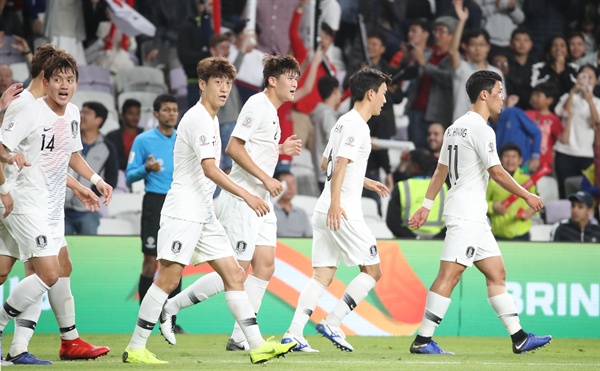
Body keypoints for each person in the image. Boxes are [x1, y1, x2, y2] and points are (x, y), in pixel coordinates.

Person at [122, 56, 296, 364]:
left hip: (203, 211)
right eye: (217, 82)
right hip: (184, 209)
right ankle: (136, 347)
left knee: (234, 273)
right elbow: (211, 169)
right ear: (202, 84)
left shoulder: (212, 118)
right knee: (168, 278)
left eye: (228, 82)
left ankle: (254, 345)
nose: (224, 88)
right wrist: (247, 194)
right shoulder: (199, 118)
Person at [407, 70, 551, 355]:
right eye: (499, 91)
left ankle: (519, 337)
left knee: (497, 273)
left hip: (473, 215)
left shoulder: (454, 127)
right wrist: (527, 195)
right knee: (450, 274)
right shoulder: (482, 130)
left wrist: (426, 205)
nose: (502, 98)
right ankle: (423, 339)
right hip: (467, 215)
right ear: (484, 94)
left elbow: (440, 171)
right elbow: (497, 172)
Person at [0, 52, 113, 364]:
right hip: (25, 202)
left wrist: (93, 181)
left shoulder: (73, 112)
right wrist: (7, 181)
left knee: (58, 268)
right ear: (46, 82)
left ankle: (27, 348)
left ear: (77, 84)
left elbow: (69, 155)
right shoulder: (30, 110)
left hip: (52, 207)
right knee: (48, 273)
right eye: (58, 79)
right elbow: (2, 146)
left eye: (70, 79)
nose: (64, 85)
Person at [281, 67, 391, 352]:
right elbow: (339, 164)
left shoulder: (343, 121)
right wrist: (337, 203)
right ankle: (333, 321)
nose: (384, 101)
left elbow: (325, 164)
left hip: (325, 208)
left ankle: (293, 333)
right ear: (370, 93)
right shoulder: (358, 126)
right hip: (341, 211)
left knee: (322, 276)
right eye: (383, 94)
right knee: (373, 270)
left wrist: (366, 182)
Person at [125, 94, 187, 332]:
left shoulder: (183, 139)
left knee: (177, 261)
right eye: (166, 110)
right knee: (151, 262)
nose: (171, 113)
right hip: (155, 203)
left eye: (174, 110)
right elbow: (130, 175)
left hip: (180, 203)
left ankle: (171, 321)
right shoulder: (143, 140)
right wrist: (146, 168)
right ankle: (146, 320)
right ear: (156, 114)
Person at [65, 101, 118, 235]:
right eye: (82, 112)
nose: (81, 116)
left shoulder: (108, 147)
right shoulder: (69, 140)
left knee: (88, 250)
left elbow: (112, 178)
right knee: (60, 251)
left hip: (88, 211)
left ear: (98, 120)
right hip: (60, 208)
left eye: (87, 113)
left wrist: (92, 192)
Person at [449, 0, 505, 122]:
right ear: (466, 47)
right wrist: (462, 21)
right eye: (473, 45)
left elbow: (498, 109)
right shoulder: (462, 68)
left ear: (488, 47)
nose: (477, 49)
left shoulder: (496, 74)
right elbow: (453, 52)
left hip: (485, 129)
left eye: (481, 44)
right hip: (460, 127)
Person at [553, 65, 598, 198]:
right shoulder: (568, 96)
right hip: (565, 151)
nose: (587, 80)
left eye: (590, 77)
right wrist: (573, 91)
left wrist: (590, 101)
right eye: (584, 76)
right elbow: (563, 112)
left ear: (596, 81)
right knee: (564, 191)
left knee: (585, 194)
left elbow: (597, 123)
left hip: (587, 153)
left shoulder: (598, 102)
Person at [386, 149, 445, 239]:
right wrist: (435, 239)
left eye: (409, 162)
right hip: (437, 245)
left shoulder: (402, 186)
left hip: (405, 245)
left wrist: (415, 238)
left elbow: (392, 222)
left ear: (415, 167)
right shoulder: (443, 187)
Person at [486, 143, 536, 241]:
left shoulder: (527, 179)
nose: (510, 160)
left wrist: (531, 211)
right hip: (499, 234)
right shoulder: (492, 182)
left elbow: (537, 201)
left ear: (520, 160)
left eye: (514, 157)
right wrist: (493, 206)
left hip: (523, 233)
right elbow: (480, 203)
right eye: (506, 156)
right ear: (500, 159)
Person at [310, 75, 341, 191]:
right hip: (326, 172)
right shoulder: (327, 115)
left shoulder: (319, 112)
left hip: (319, 170)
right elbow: (334, 141)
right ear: (335, 91)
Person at [524, 82, 562, 171]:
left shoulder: (554, 120)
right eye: (533, 94)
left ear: (549, 100)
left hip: (545, 163)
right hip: (525, 161)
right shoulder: (526, 114)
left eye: (538, 96)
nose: (533, 98)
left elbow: (559, 140)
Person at [106, 99, 143, 172]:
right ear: (122, 115)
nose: (135, 117)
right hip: (119, 176)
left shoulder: (145, 134)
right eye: (131, 114)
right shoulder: (112, 136)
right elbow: (113, 163)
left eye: (137, 113)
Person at [273, 171, 312, 238]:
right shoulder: (270, 211)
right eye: (286, 184)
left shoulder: (301, 213)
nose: (290, 187)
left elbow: (309, 237)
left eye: (293, 183)